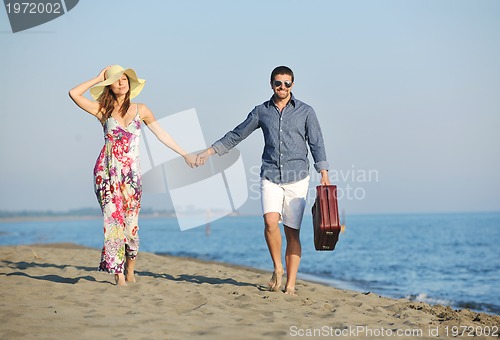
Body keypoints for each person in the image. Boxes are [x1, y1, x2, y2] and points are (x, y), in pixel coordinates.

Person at [196, 66, 330, 295]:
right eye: (278, 83)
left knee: (292, 231)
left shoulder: (306, 111)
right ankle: (278, 267)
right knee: (270, 223)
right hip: (270, 175)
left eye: (287, 83)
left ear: (293, 85)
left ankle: (290, 285)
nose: (283, 87)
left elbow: (316, 142)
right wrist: (210, 151)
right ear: (271, 84)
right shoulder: (261, 111)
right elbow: (237, 134)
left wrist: (323, 171)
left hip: (298, 177)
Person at [69, 65, 197, 286]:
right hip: (106, 172)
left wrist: (185, 153)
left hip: (132, 175)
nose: (122, 82)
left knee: (131, 225)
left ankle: (130, 270)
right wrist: (98, 78)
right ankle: (118, 275)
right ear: (109, 85)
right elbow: (73, 93)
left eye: (125, 79)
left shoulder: (141, 109)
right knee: (113, 221)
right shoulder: (103, 110)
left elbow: (162, 133)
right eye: (116, 79)